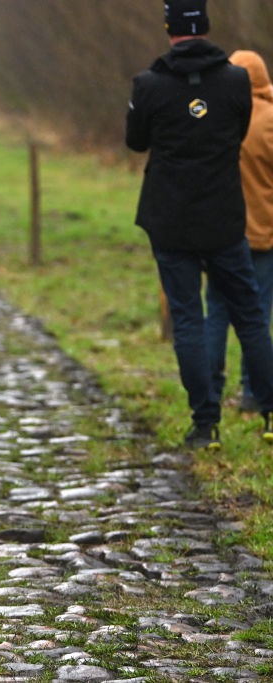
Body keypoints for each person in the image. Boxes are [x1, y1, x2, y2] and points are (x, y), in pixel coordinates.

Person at [126, 0, 273, 449]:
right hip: (225, 219)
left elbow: (135, 142)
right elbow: (237, 128)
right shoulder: (236, 81)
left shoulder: (148, 84)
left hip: (171, 221)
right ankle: (270, 412)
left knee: (189, 318)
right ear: (206, 27)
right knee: (250, 316)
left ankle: (205, 424)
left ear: (169, 28)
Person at [205, 50, 273, 413]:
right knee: (258, 315)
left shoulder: (215, 117)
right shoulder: (270, 120)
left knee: (215, 312)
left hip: (220, 235)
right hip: (263, 234)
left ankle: (211, 393)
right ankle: (254, 393)